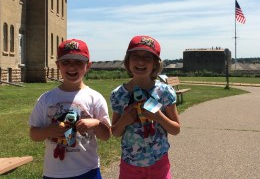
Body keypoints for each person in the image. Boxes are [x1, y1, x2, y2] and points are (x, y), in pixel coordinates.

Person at [29, 39, 111, 179]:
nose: (72, 67)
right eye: (66, 62)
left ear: (88, 65)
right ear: (58, 65)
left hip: (88, 170)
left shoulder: (94, 98)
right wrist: (49, 130)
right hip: (54, 173)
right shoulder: (46, 99)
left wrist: (96, 124)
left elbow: (106, 135)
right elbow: (33, 134)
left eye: (78, 62)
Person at [110, 35, 180, 179]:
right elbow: (115, 132)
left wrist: (159, 117)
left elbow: (175, 129)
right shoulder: (119, 94)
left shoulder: (165, 92)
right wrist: (124, 120)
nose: (141, 61)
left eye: (148, 57)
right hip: (130, 165)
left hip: (159, 164)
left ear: (155, 63)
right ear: (127, 61)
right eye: (135, 56)